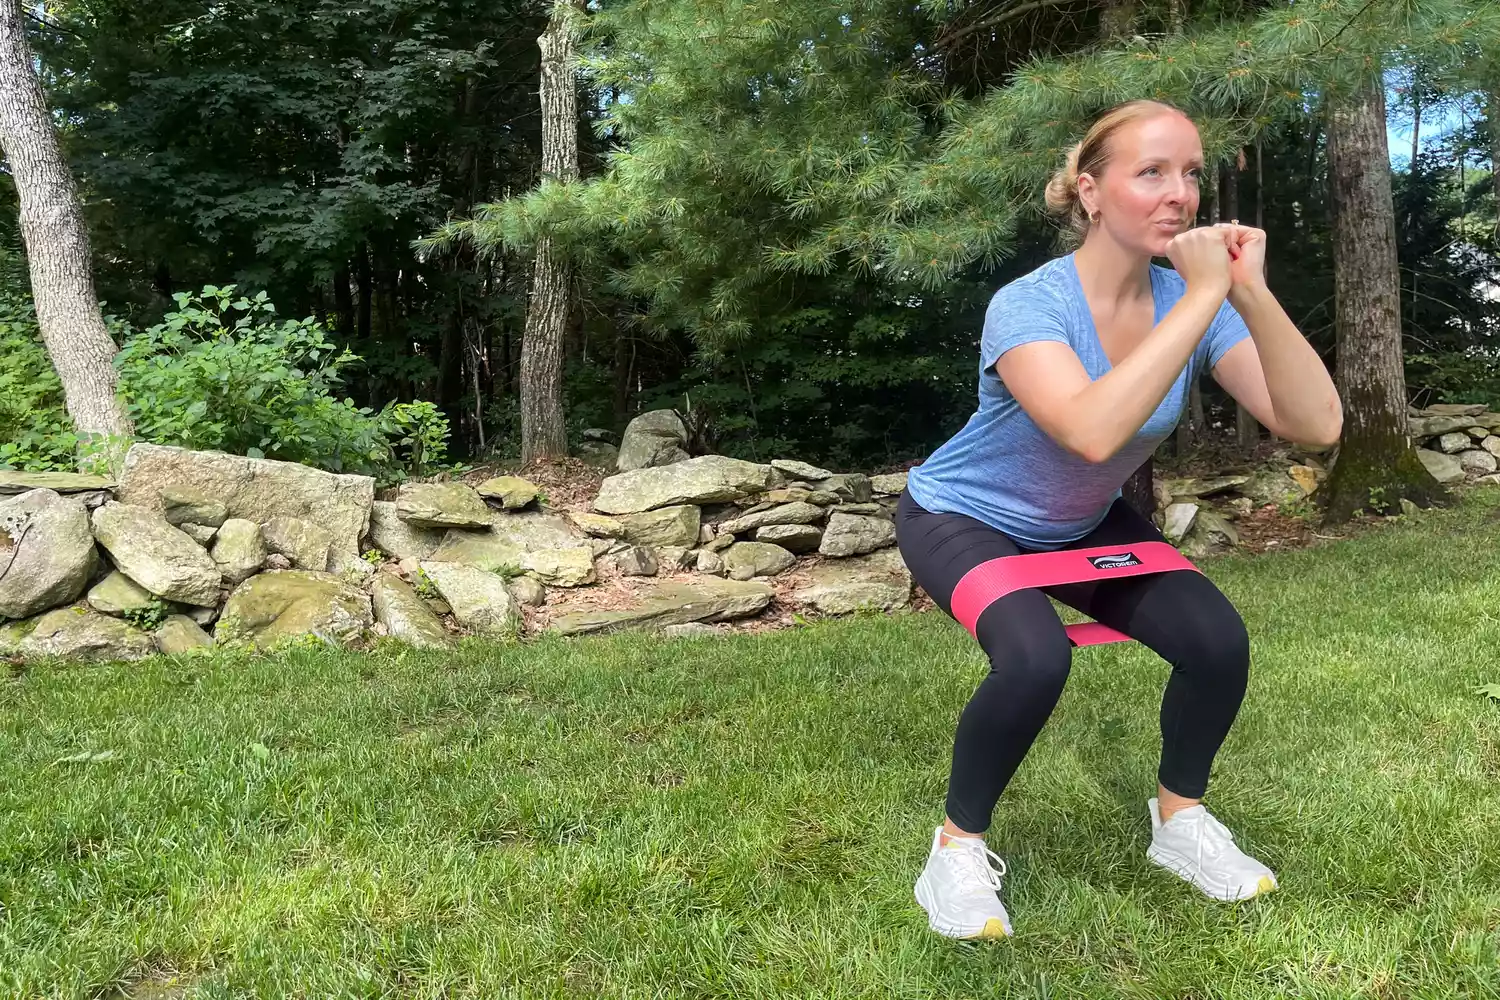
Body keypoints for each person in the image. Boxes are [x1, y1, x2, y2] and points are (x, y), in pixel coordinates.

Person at [897, 99, 1343, 940]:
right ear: (1091, 193)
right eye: (1152, 172)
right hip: (962, 512)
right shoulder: (1030, 305)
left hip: (1081, 518)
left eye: (1192, 173)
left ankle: (1179, 822)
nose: (1181, 194)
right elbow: (1092, 429)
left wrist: (1247, 293)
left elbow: (1316, 423)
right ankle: (954, 851)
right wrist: (1203, 295)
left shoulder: (1192, 302)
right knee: (1034, 659)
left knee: (1216, 643)